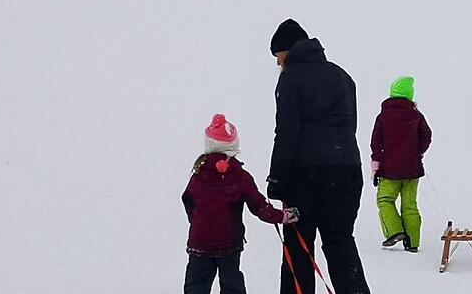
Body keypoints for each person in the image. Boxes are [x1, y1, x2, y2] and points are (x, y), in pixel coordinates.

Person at [266, 19, 371, 294]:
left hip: (306, 176)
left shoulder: (290, 79)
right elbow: (351, 126)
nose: (278, 64)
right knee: (340, 243)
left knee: (298, 247)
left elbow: (286, 133)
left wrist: (277, 178)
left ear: (287, 51)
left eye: (279, 57)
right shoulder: (342, 76)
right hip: (348, 170)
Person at [183, 114, 298, 294]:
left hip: (200, 243)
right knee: (232, 285)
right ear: (233, 146)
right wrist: (282, 216)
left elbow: (187, 200)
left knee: (196, 285)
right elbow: (259, 207)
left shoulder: (198, 174)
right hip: (229, 244)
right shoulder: (240, 176)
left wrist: (198, 221)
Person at [370, 76, 432, 253]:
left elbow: (376, 143)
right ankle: (413, 242)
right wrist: (417, 152)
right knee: (410, 205)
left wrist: (376, 166)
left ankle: (395, 231)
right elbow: (427, 136)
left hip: (389, 170)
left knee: (385, 200)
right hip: (412, 169)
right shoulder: (416, 115)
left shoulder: (383, 116)